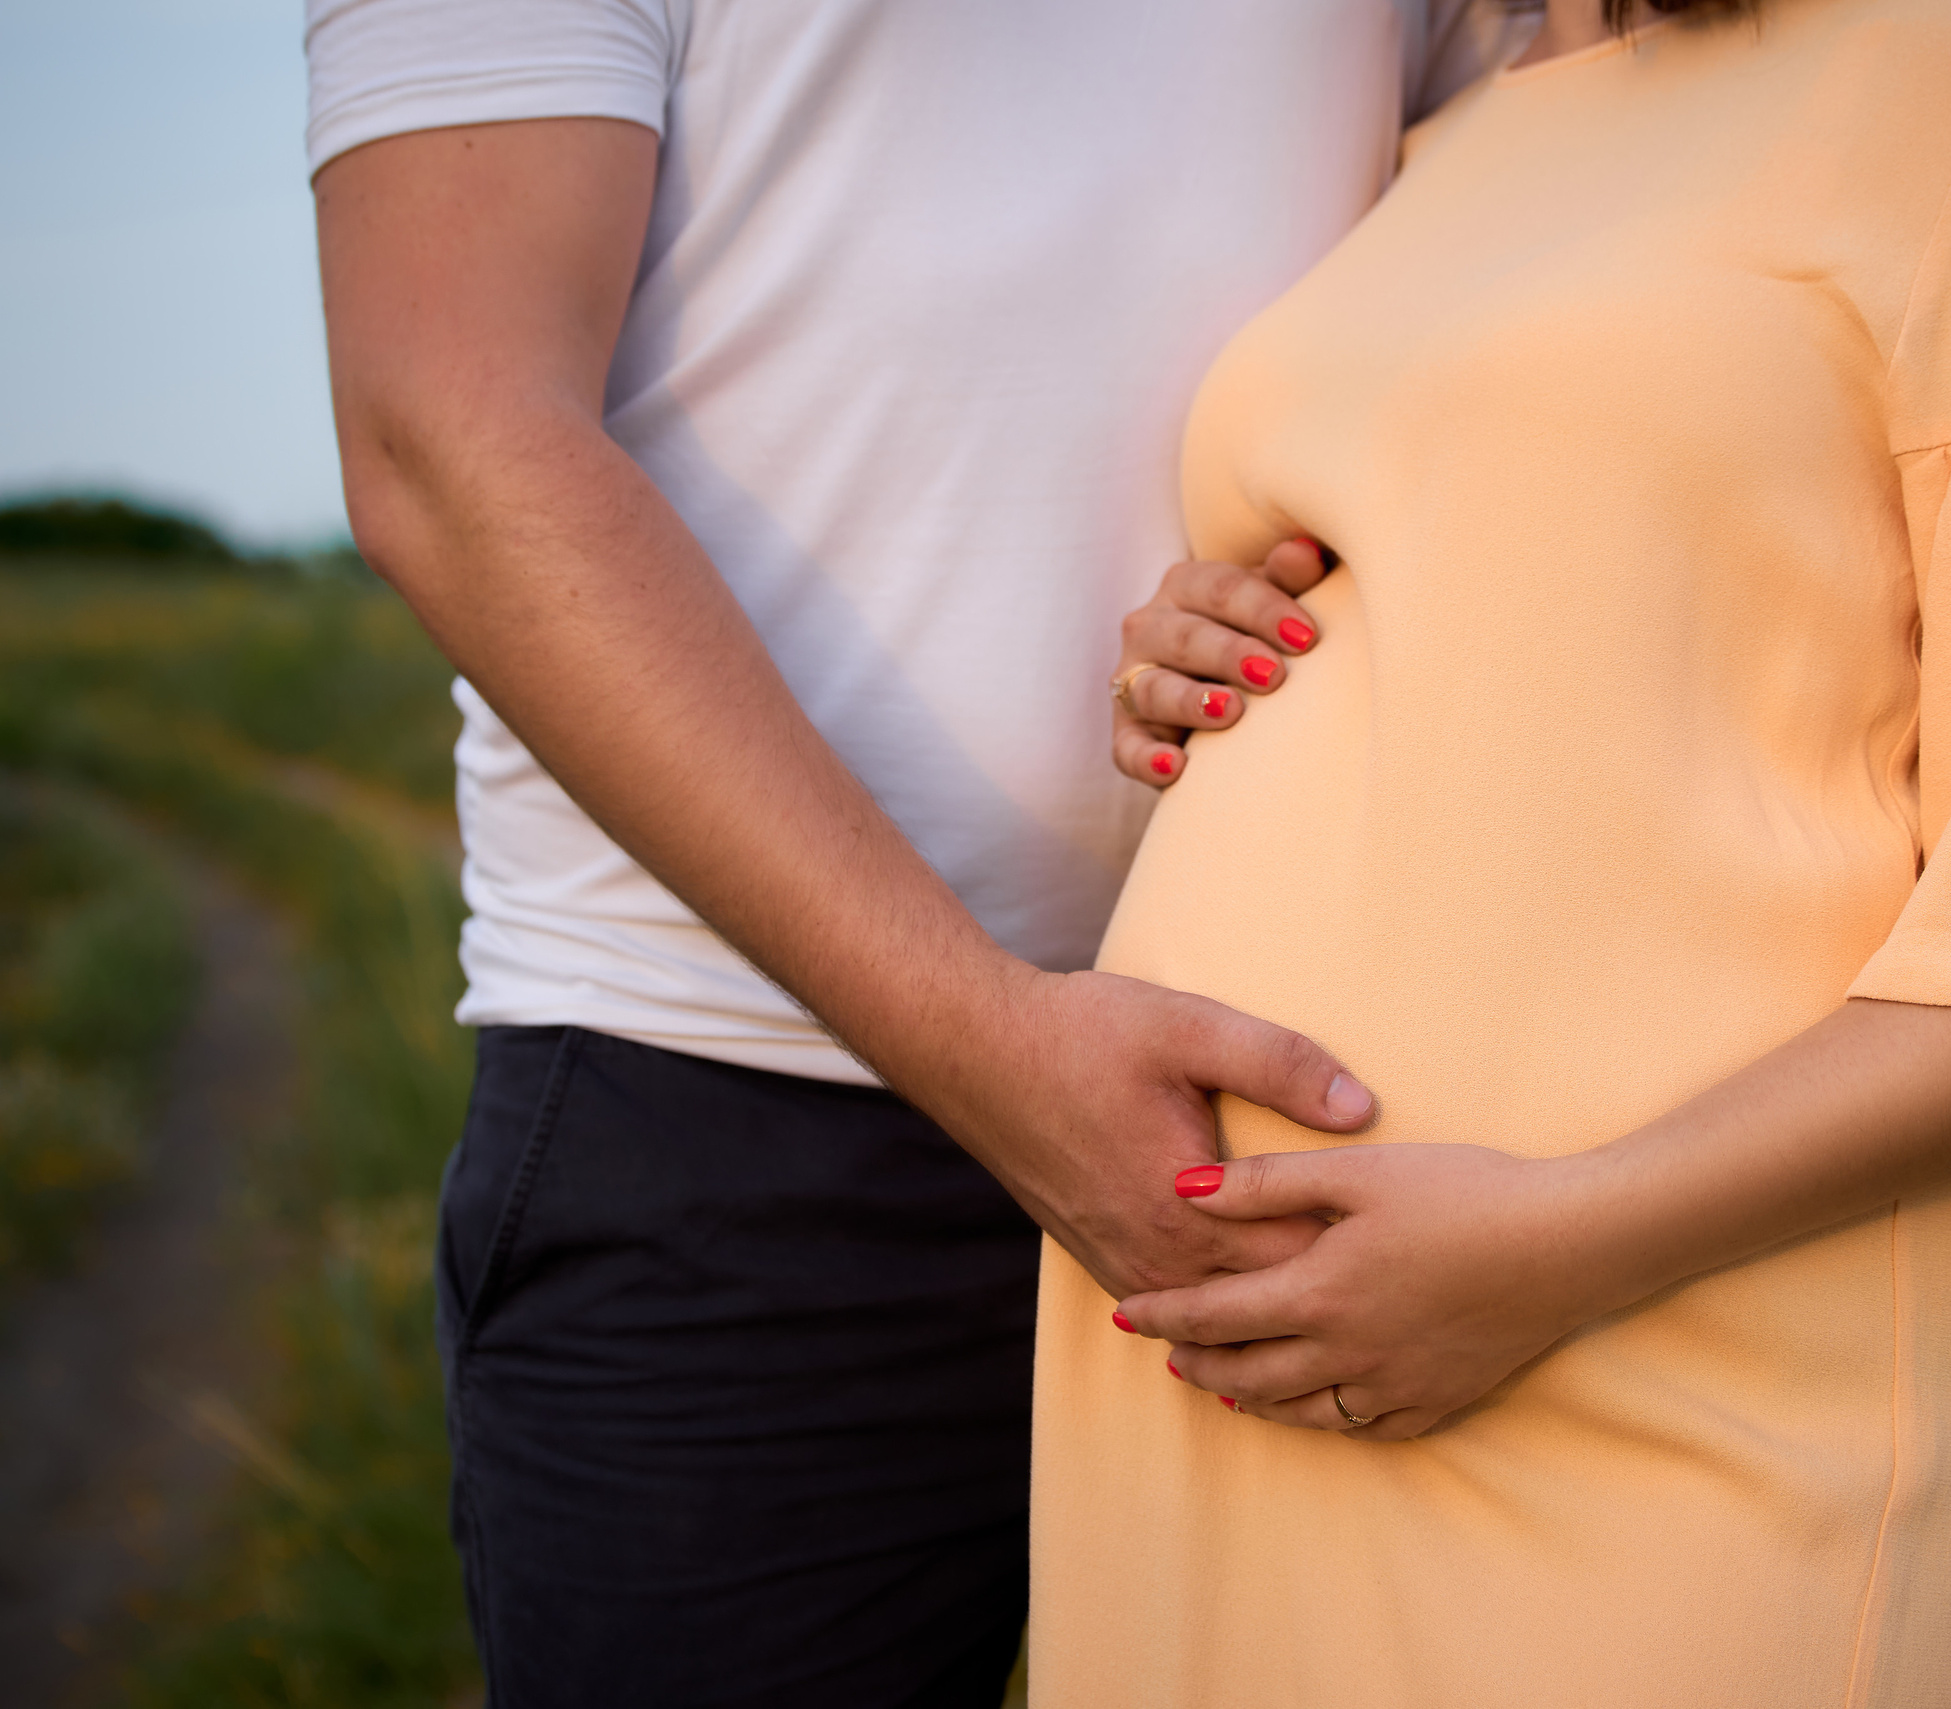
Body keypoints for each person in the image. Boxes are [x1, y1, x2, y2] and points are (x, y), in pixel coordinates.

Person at [1037, 0, 1951, 1703]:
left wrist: (1555, 1246)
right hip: (1204, 1349)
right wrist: (1207, 643)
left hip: (1674, 1358)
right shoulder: (1444, 128)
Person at [303, 2, 1523, 1702]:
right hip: (740, 1125)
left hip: (1315, 1116)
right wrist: (996, 1048)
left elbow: (1566, 216)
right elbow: (447, 437)